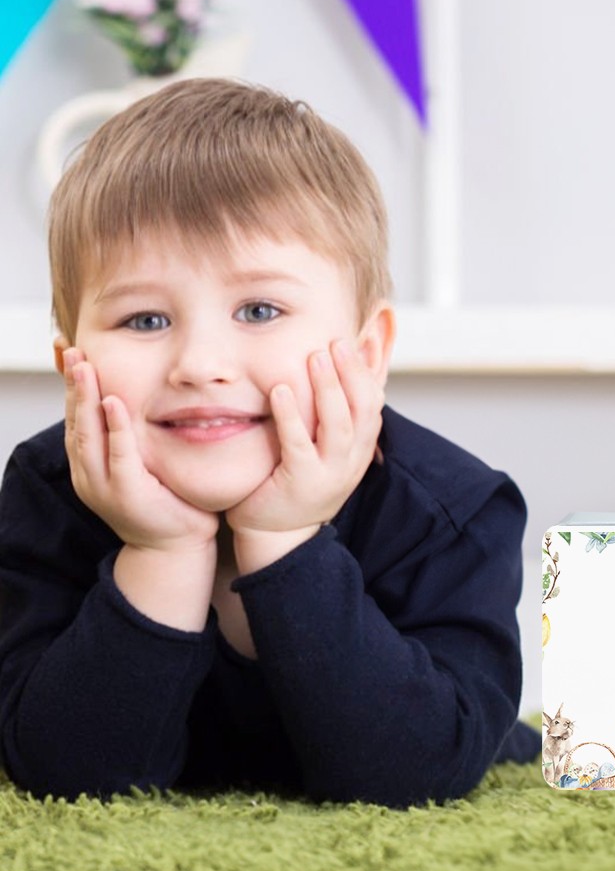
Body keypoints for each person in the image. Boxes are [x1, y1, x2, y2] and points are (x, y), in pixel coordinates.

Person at [0, 78, 540, 806]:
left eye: (259, 309)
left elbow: (414, 775)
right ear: (74, 368)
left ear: (367, 351)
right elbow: (66, 774)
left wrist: (284, 539)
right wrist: (160, 554)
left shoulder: (452, 510)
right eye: (145, 321)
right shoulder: (47, 488)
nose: (199, 365)